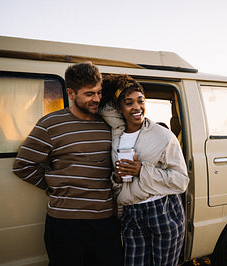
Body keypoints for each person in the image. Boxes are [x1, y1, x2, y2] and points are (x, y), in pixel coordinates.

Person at [12, 62, 123, 266]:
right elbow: (23, 166)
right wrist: (55, 186)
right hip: (65, 225)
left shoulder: (108, 123)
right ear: (71, 93)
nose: (97, 99)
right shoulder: (50, 124)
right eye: (89, 94)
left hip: (105, 222)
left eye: (99, 93)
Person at [100, 74, 189, 266]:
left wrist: (142, 170)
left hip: (163, 210)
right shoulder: (116, 135)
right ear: (119, 108)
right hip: (132, 213)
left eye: (140, 101)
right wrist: (117, 177)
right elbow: (103, 108)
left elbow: (181, 180)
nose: (137, 107)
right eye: (128, 102)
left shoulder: (163, 136)